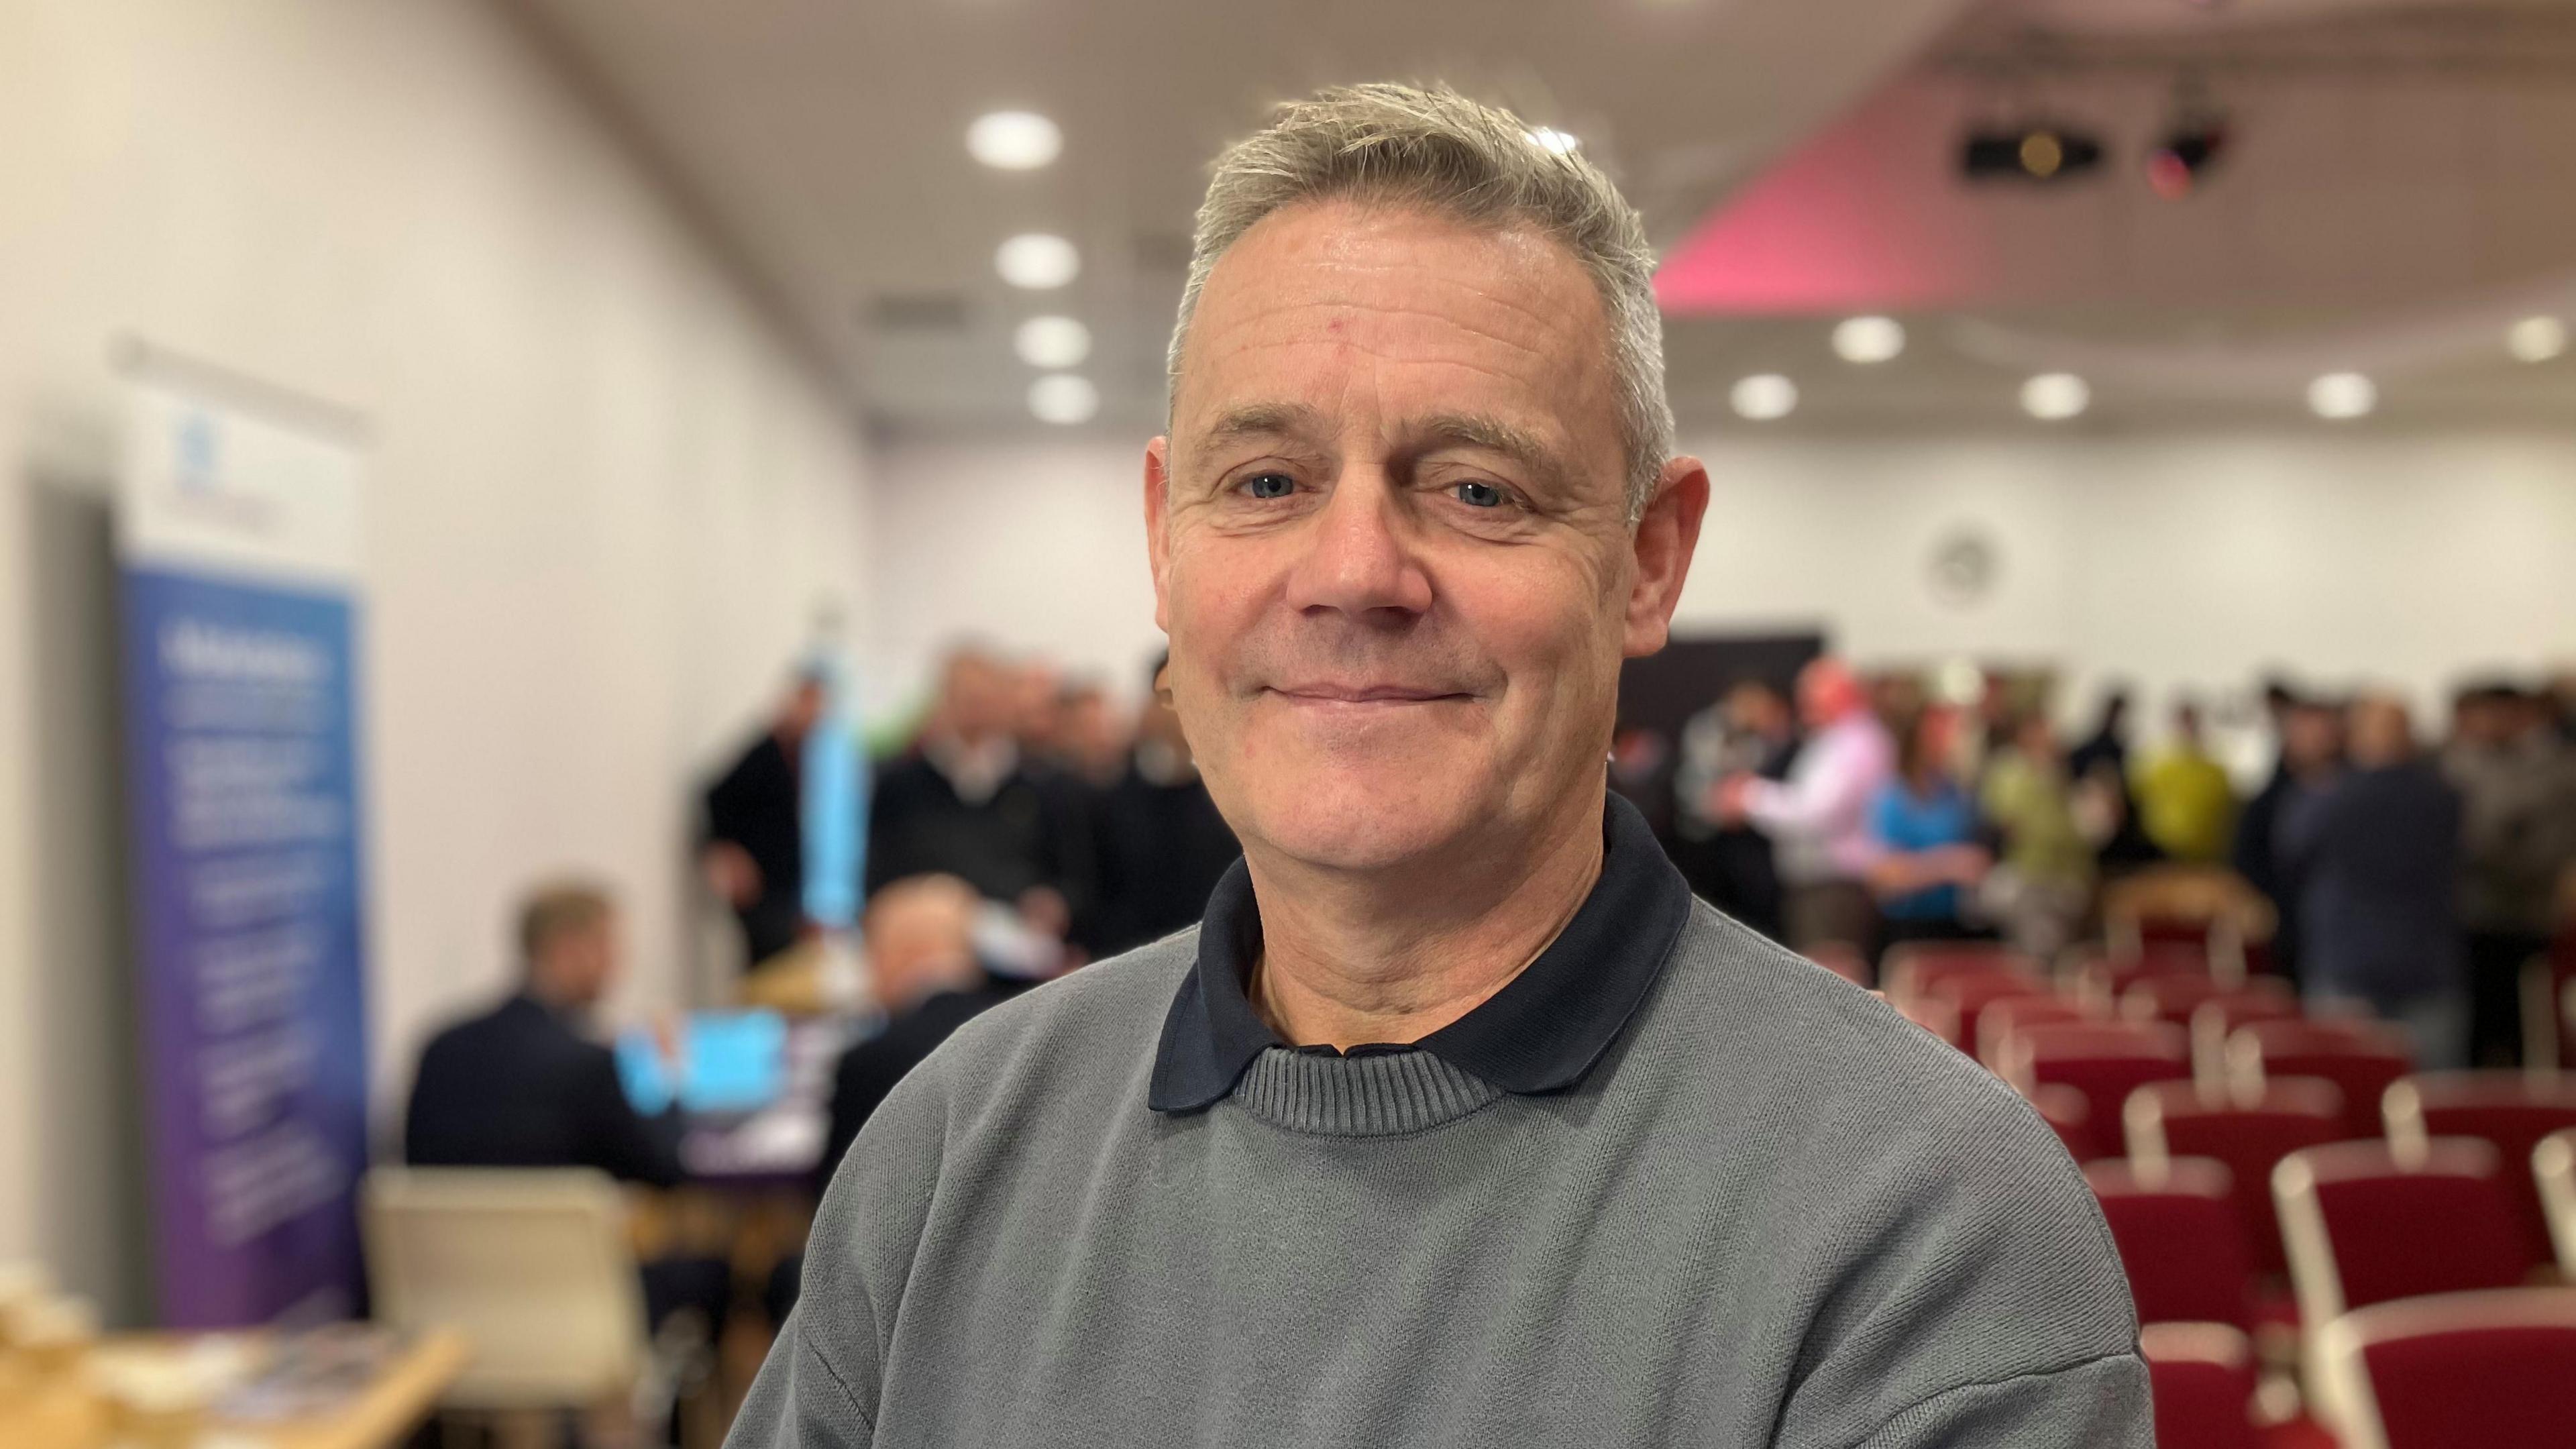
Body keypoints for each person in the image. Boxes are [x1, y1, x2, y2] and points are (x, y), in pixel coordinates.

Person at [729, 83, 2145, 1449]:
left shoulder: (1923, 1225)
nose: (1354, 573)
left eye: (1478, 488)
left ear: (1649, 561)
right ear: (1167, 542)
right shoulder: (953, 1150)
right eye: (1269, 482)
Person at [405, 881, 727, 1348]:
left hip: (447, 1322)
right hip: (570, 1323)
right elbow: (669, 1166)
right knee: (714, 1274)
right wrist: (669, 1077)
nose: (618, 965)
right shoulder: (587, 1067)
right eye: (609, 946)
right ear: (570, 948)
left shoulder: (440, 1049)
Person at [2281, 694, 2468, 1068]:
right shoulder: (2443, 797)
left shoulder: (2328, 796)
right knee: (2432, 1102)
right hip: (2427, 962)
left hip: (2347, 962)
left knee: (2354, 1092)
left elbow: (2290, 854)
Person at [864, 649, 1089, 935]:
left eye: (985, 698)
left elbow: (1074, 882)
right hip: (927, 942)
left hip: (1022, 946)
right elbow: (879, 882)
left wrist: (1053, 904)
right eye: (965, 697)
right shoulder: (900, 785)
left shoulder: (1046, 786)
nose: (976, 709)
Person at [1717, 657, 1897, 954]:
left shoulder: (1856, 743)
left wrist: (1748, 796)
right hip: (1823, 886)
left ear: (1839, 694)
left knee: (1832, 979)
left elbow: (1817, 813)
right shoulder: (1838, 739)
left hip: (1834, 887)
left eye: (1811, 696)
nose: (1803, 706)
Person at [2443, 684, 2576, 1064]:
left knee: (2527, 1039)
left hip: (2526, 922)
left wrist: (2485, 848)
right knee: (2470, 1039)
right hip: (2465, 923)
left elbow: (2551, 849)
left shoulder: (2556, 770)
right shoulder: (2450, 767)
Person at [1084, 654, 1241, 957]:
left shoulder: (1232, 801)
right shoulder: (1109, 800)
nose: (1178, 712)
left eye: (1189, 695)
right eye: (1167, 697)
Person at [702, 672, 827, 967]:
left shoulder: (796, 754)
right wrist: (727, 852)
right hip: (762, 891)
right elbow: (715, 795)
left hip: (783, 887)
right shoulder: (763, 753)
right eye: (810, 705)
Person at [1670, 678, 1794, 940]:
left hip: (1751, 848)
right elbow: (1695, 785)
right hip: (1708, 844)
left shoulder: (1770, 741)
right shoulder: (1708, 732)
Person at [1865, 710, 1991, 955]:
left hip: (1957, 925)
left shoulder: (1955, 793)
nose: (1949, 741)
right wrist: (1947, 866)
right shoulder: (1893, 796)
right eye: (1939, 733)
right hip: (1910, 928)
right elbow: (1884, 877)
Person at [1978, 711, 2097, 959]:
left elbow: (2078, 824)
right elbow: (2008, 820)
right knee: (2033, 956)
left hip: (2067, 876)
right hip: (2030, 876)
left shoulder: (2061, 772)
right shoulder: (2010, 771)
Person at [2132, 698, 2236, 864]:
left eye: (2193, 722)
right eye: (2185, 722)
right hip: (2160, 851)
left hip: (2205, 854)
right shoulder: (2156, 766)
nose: (2189, 729)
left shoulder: (2215, 771)